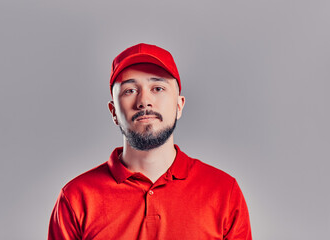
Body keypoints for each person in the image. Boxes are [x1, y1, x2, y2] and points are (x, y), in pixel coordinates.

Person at [48, 43, 252, 240]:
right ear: (114, 112)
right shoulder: (75, 198)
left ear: (179, 105)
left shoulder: (224, 192)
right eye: (130, 90)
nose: (144, 101)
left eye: (158, 88)